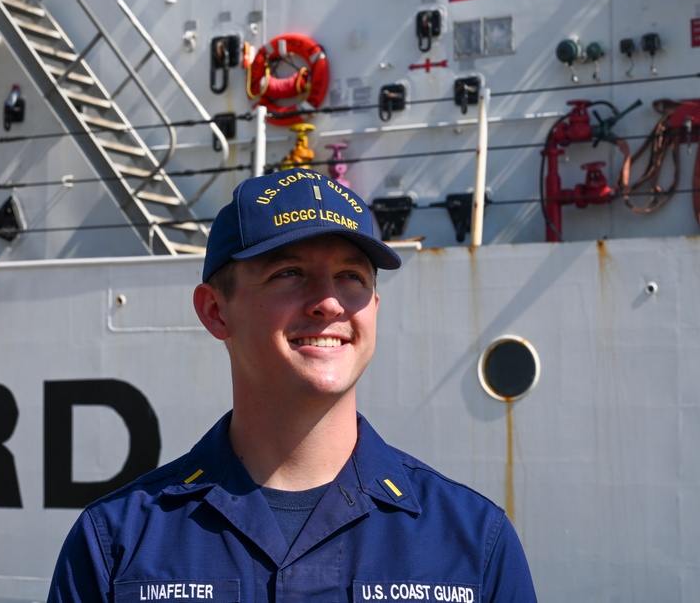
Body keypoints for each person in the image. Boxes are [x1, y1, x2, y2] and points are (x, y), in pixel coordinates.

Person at [48, 167, 537, 601]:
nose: (328, 302)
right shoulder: (114, 545)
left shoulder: (475, 544)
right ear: (216, 312)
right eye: (289, 273)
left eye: (352, 276)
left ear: (375, 308)